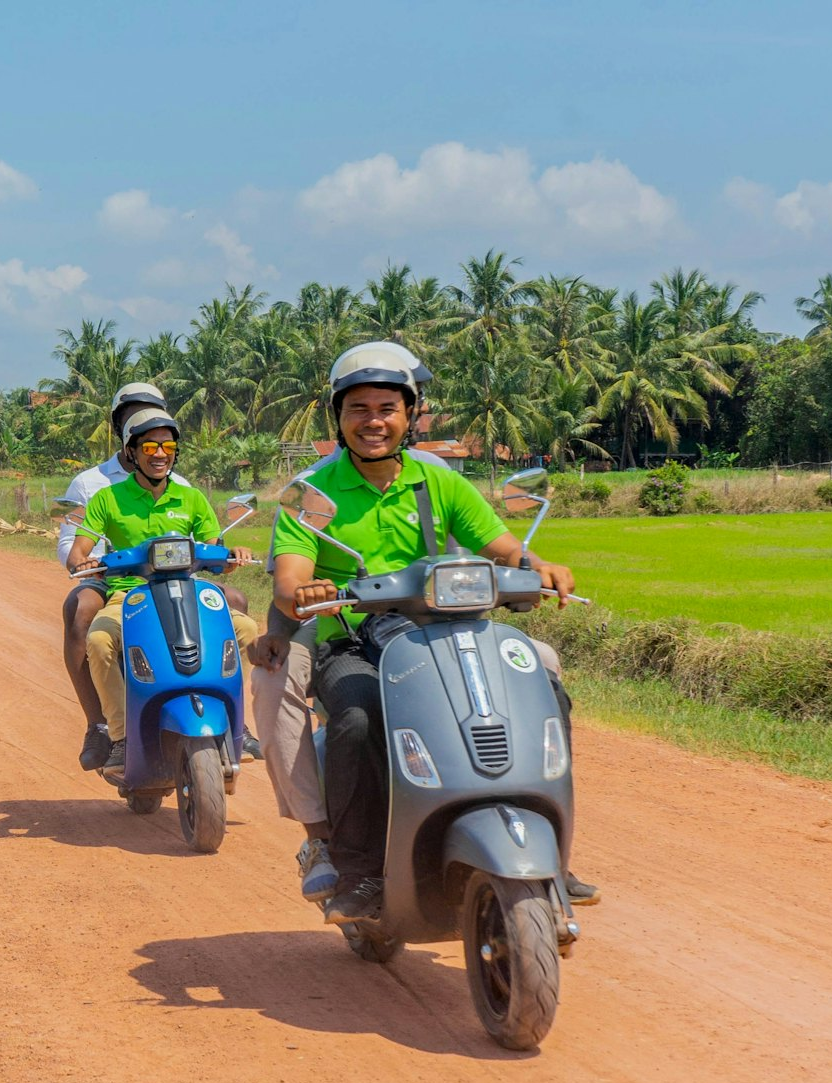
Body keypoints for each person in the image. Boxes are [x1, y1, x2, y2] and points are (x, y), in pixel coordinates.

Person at [269, 348, 586, 925]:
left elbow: (501, 544)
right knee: (358, 713)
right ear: (337, 419)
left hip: (449, 628)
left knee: (538, 676)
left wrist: (537, 564)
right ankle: (359, 871)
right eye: (358, 409)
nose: (373, 421)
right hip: (355, 636)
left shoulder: (438, 479)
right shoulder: (314, 492)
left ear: (410, 414)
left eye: (388, 408)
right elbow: (290, 578)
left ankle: (554, 854)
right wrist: (307, 591)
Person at [57, 382, 257, 770]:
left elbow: (212, 550)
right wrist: (84, 562)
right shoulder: (101, 493)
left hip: (187, 587)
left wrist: (232, 556)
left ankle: (237, 723)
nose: (160, 454)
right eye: (149, 446)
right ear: (130, 445)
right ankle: (112, 732)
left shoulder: (190, 494)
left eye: (167, 446)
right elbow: (76, 550)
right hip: (128, 593)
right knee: (97, 640)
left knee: (246, 629)